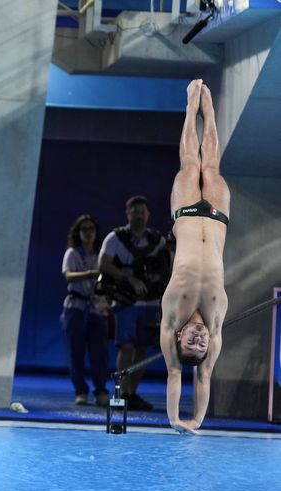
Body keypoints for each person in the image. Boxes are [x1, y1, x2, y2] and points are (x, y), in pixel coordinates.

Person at [160, 79, 229, 434]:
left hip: (186, 216)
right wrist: (198, 421)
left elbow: (176, 373)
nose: (199, 341)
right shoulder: (214, 325)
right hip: (217, 218)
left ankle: (190, 104)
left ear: (179, 337)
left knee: (190, 165)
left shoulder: (172, 317)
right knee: (212, 167)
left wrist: (176, 420)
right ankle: (211, 108)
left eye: (192, 342)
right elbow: (204, 374)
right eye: (201, 346)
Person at [99, 195, 167, 411]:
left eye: (142, 212)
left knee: (143, 348)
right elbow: (104, 264)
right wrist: (128, 278)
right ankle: (120, 392)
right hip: (126, 301)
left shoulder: (158, 241)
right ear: (127, 214)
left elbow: (168, 268)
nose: (138, 216)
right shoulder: (115, 238)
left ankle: (132, 393)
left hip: (150, 302)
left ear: (148, 215)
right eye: (134, 212)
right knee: (126, 346)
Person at [61, 215, 110, 406]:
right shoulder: (72, 253)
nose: (88, 233)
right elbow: (68, 276)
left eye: (91, 229)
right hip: (76, 307)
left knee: (99, 353)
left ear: (96, 233)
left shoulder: (102, 254)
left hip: (98, 307)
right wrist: (89, 274)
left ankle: (100, 390)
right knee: (76, 352)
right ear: (78, 233)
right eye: (84, 229)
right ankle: (80, 391)